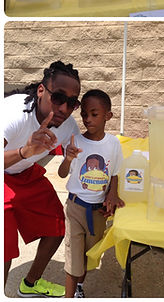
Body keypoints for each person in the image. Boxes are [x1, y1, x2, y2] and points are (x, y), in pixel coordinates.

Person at [4, 61, 81, 297]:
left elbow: (86, 158)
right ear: (41, 91)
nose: (64, 108)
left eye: (72, 102)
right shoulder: (14, 114)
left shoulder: (68, 126)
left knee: (57, 226)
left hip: (23, 173)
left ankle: (30, 283)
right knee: (4, 248)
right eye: (58, 97)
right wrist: (24, 152)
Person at [57, 89, 124, 298]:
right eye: (84, 114)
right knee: (73, 258)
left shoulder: (113, 144)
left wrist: (112, 195)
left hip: (98, 212)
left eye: (94, 114)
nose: (87, 119)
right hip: (75, 208)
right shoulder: (75, 141)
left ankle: (78, 286)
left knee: (89, 255)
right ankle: (69, 295)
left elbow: (115, 173)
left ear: (108, 116)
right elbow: (61, 173)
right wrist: (67, 159)